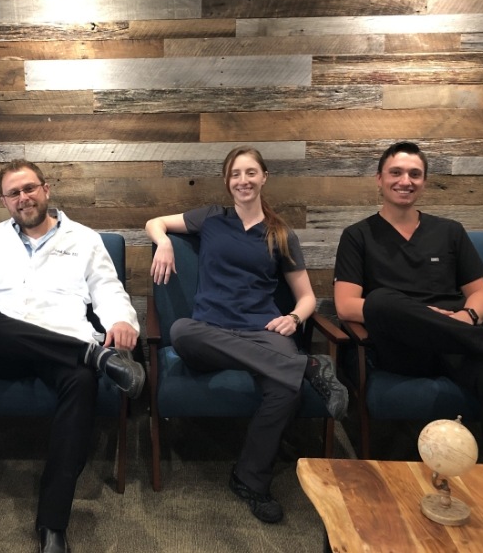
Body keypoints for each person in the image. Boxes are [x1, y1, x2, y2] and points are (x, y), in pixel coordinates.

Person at [0, 159, 145, 553]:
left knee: (81, 382)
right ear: (4, 201)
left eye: (29, 188)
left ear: (46, 189)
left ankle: (52, 524)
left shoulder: (84, 238)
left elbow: (108, 289)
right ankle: (94, 357)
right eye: (14, 193)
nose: (23, 198)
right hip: (5, 351)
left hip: (62, 346)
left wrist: (121, 320)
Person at [333, 141, 483, 481]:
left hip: (461, 343)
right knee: (383, 300)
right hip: (403, 349)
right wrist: (427, 315)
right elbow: (345, 306)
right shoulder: (358, 236)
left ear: (425, 182)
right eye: (396, 172)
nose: (406, 180)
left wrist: (466, 318)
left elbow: (481, 296)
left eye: (415, 174)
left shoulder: (449, 231)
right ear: (379, 180)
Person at [144, 145, 348, 525]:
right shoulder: (210, 218)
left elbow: (306, 298)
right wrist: (165, 242)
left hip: (262, 328)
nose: (243, 180)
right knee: (180, 331)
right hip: (208, 330)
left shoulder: (280, 233)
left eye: (250, 172)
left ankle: (250, 479)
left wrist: (293, 318)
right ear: (227, 181)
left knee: (283, 389)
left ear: (264, 177)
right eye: (236, 174)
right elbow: (155, 222)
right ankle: (305, 366)